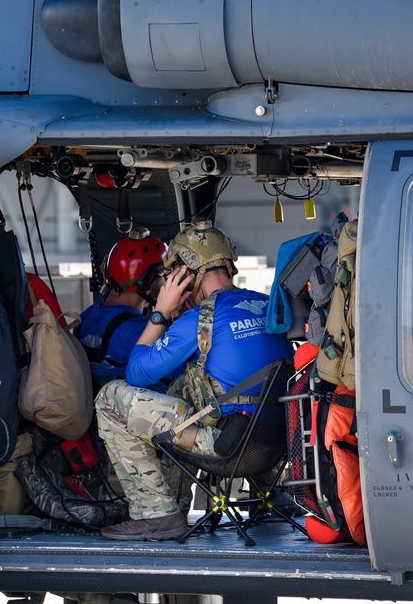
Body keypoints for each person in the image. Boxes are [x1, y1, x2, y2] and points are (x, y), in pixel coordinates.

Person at [95, 220, 293, 541]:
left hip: (227, 449)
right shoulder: (264, 304)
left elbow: (136, 373)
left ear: (187, 274)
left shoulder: (201, 318)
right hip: (274, 448)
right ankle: (177, 503)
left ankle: (158, 514)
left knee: (111, 396)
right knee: (184, 388)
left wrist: (160, 313)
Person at [76, 229, 166, 390]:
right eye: (164, 277)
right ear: (152, 282)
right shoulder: (137, 330)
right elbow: (177, 370)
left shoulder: (86, 317)